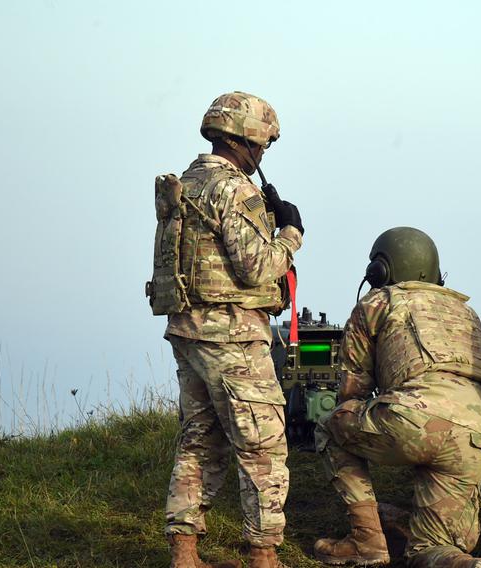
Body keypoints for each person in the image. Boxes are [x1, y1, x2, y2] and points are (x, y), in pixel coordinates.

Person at [152, 92, 303, 568]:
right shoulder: (235, 189)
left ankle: (185, 554)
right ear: (246, 139)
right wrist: (291, 234)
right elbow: (257, 267)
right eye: (263, 144)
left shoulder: (189, 182)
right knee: (262, 446)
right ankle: (263, 556)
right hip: (232, 335)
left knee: (200, 439)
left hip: (189, 330)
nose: (263, 153)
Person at [313, 227, 481, 568]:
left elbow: (352, 394)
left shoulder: (376, 303)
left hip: (410, 422)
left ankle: (366, 542)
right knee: (430, 550)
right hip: (473, 439)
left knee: (330, 425)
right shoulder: (467, 314)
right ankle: (470, 565)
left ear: (380, 270)